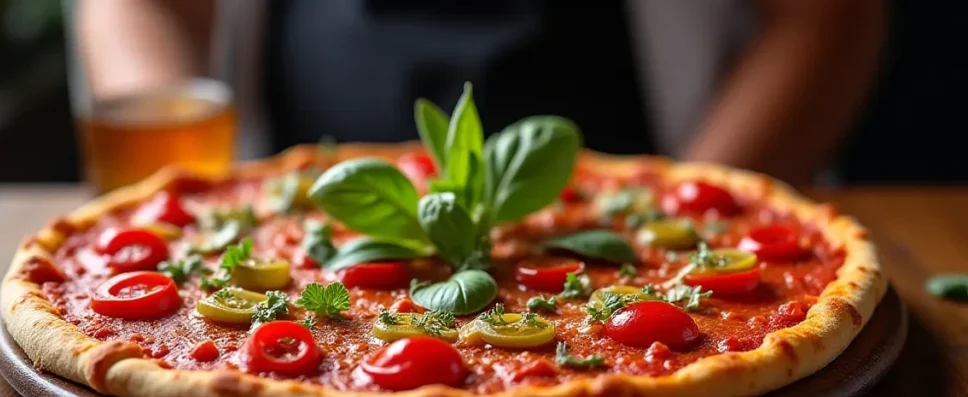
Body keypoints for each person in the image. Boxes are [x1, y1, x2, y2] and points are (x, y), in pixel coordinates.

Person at [73, 0, 888, 186]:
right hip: (285, 232)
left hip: (661, 187)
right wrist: (184, 207)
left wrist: (692, 218)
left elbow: (828, 15)